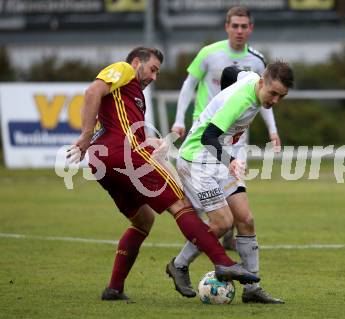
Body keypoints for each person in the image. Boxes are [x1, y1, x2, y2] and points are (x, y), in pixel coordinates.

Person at [67, 47, 259, 301]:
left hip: (103, 162)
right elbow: (92, 91)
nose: (154, 77)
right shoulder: (124, 70)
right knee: (181, 205)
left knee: (143, 221)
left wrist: (154, 144)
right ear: (136, 62)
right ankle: (222, 261)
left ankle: (114, 288)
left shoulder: (133, 96)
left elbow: (125, 127)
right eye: (152, 69)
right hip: (124, 153)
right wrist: (86, 134)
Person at [166, 61, 294, 304]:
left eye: (281, 96)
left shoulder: (251, 78)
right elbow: (208, 136)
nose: (275, 101)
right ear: (262, 82)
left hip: (219, 159)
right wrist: (231, 160)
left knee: (245, 219)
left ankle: (252, 289)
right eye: (273, 93)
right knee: (223, 222)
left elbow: (230, 72)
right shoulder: (240, 102)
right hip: (197, 161)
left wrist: (223, 92)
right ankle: (178, 265)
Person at [171, 6, 281, 250]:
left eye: (244, 26)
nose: (239, 31)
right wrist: (180, 119)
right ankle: (206, 232)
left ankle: (223, 234)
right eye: (235, 26)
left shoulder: (257, 60)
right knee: (208, 195)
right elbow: (189, 85)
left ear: (250, 28)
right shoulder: (209, 53)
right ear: (227, 27)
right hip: (207, 129)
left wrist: (273, 130)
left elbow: (266, 98)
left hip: (236, 136)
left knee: (235, 192)